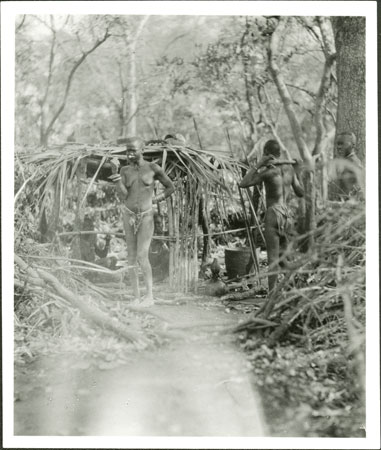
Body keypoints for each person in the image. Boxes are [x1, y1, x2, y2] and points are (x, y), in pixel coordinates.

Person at [109, 137, 175, 306]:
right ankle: (136, 297)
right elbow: (123, 195)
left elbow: (171, 187)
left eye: (133, 150)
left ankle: (150, 296)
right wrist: (116, 174)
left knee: (141, 256)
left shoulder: (153, 168)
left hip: (146, 216)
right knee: (130, 257)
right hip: (128, 215)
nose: (130, 154)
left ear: (142, 150)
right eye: (127, 151)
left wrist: (156, 199)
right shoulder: (124, 170)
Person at [239, 139, 304, 297]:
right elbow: (301, 192)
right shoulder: (289, 170)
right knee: (283, 257)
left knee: (273, 258)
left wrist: (258, 164)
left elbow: (243, 183)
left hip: (273, 213)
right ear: (280, 154)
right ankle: (295, 287)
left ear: (266, 154)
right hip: (287, 215)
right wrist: (298, 171)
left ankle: (271, 294)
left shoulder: (268, 173)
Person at [335, 131, 363, 199]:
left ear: (353, 145)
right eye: (338, 144)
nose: (339, 147)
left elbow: (348, 194)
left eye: (342, 144)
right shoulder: (346, 162)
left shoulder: (353, 164)